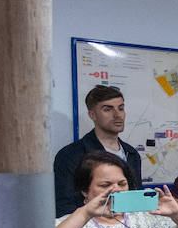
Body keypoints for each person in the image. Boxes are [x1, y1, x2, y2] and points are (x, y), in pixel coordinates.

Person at [54, 84, 144, 218]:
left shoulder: (131, 154)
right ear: (92, 114)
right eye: (107, 109)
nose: (117, 115)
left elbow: (134, 200)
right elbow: (64, 208)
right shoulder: (71, 155)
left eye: (121, 108)